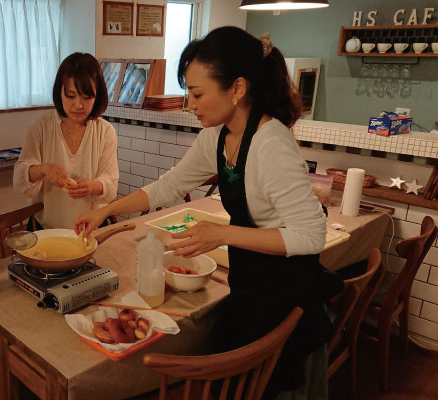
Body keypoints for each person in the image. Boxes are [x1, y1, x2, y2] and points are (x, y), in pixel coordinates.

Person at [75, 27, 341, 400]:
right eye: (189, 93)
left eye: (198, 93)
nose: (191, 104)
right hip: (251, 281)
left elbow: (312, 236)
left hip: (285, 290)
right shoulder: (216, 137)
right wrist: (107, 210)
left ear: (237, 88)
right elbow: (168, 187)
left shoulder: (271, 144)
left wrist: (224, 234)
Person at [13, 52, 119, 230]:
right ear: (59, 92)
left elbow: (110, 183)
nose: (78, 105)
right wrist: (44, 169)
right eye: (70, 95)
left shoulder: (105, 131)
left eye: (87, 97)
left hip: (90, 227)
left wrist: (92, 186)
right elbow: (20, 178)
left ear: (97, 96)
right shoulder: (41, 127)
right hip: (46, 229)